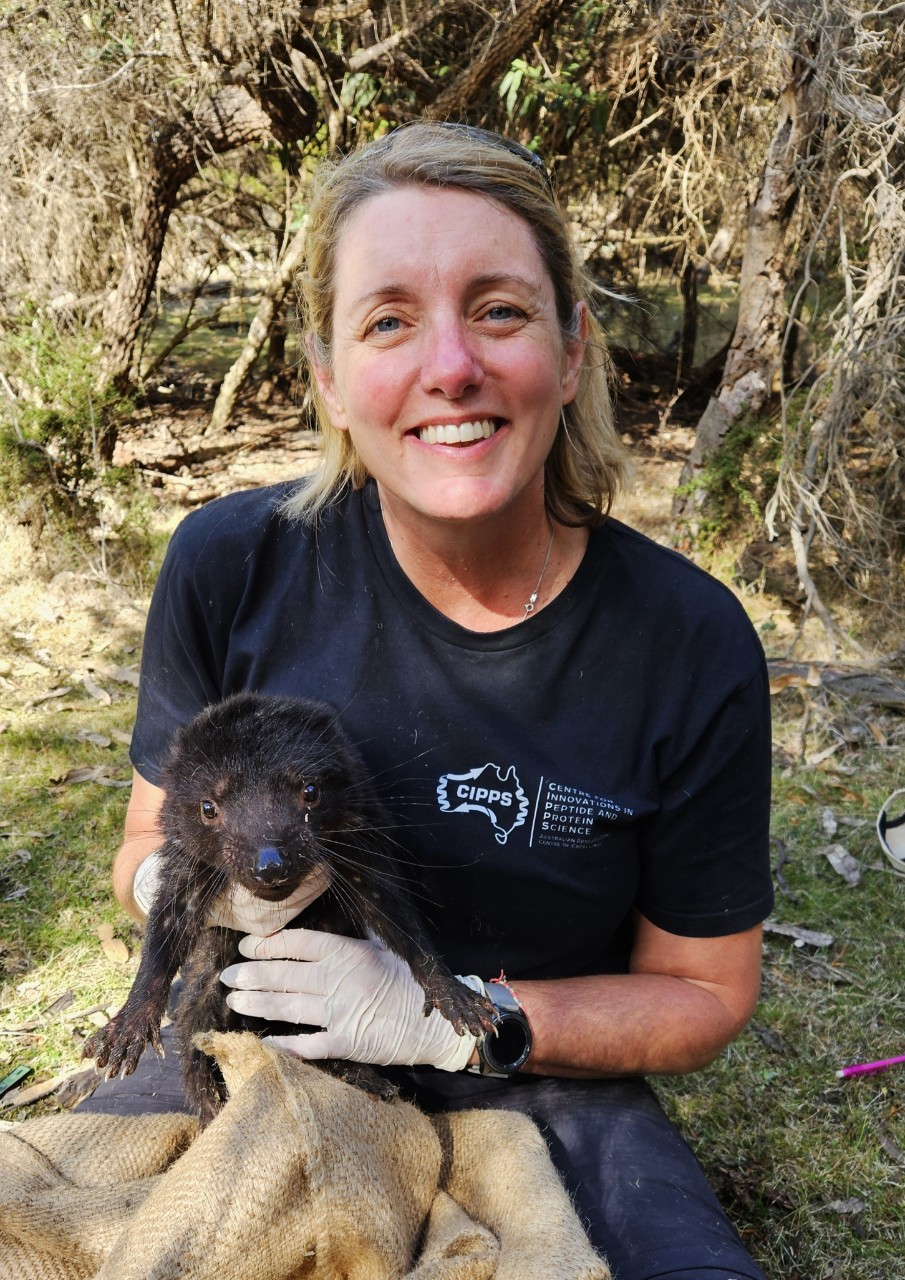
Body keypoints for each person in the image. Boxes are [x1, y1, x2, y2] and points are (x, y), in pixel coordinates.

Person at [85, 122, 774, 1280]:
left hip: (535, 1077)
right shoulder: (229, 565)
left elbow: (703, 989)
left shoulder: (685, 642)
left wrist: (454, 1016)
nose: (449, 366)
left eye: (498, 310)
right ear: (328, 379)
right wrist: (182, 889)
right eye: (388, 321)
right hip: (250, 1030)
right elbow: (145, 841)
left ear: (570, 350)